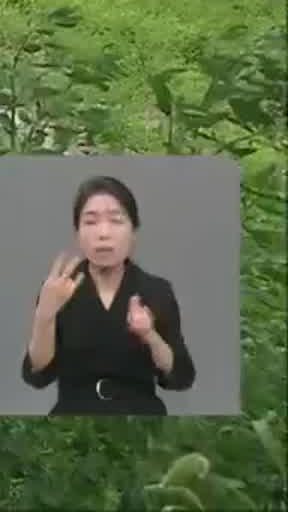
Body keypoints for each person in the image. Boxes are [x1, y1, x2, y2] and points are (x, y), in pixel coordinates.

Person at [21, 175, 195, 415]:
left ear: (133, 232)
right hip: (73, 422)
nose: (103, 233)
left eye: (116, 221)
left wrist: (149, 335)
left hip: (141, 419)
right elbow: (37, 375)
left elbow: (182, 376)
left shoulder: (156, 290)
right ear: (78, 233)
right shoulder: (58, 290)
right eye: (90, 222)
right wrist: (44, 316)